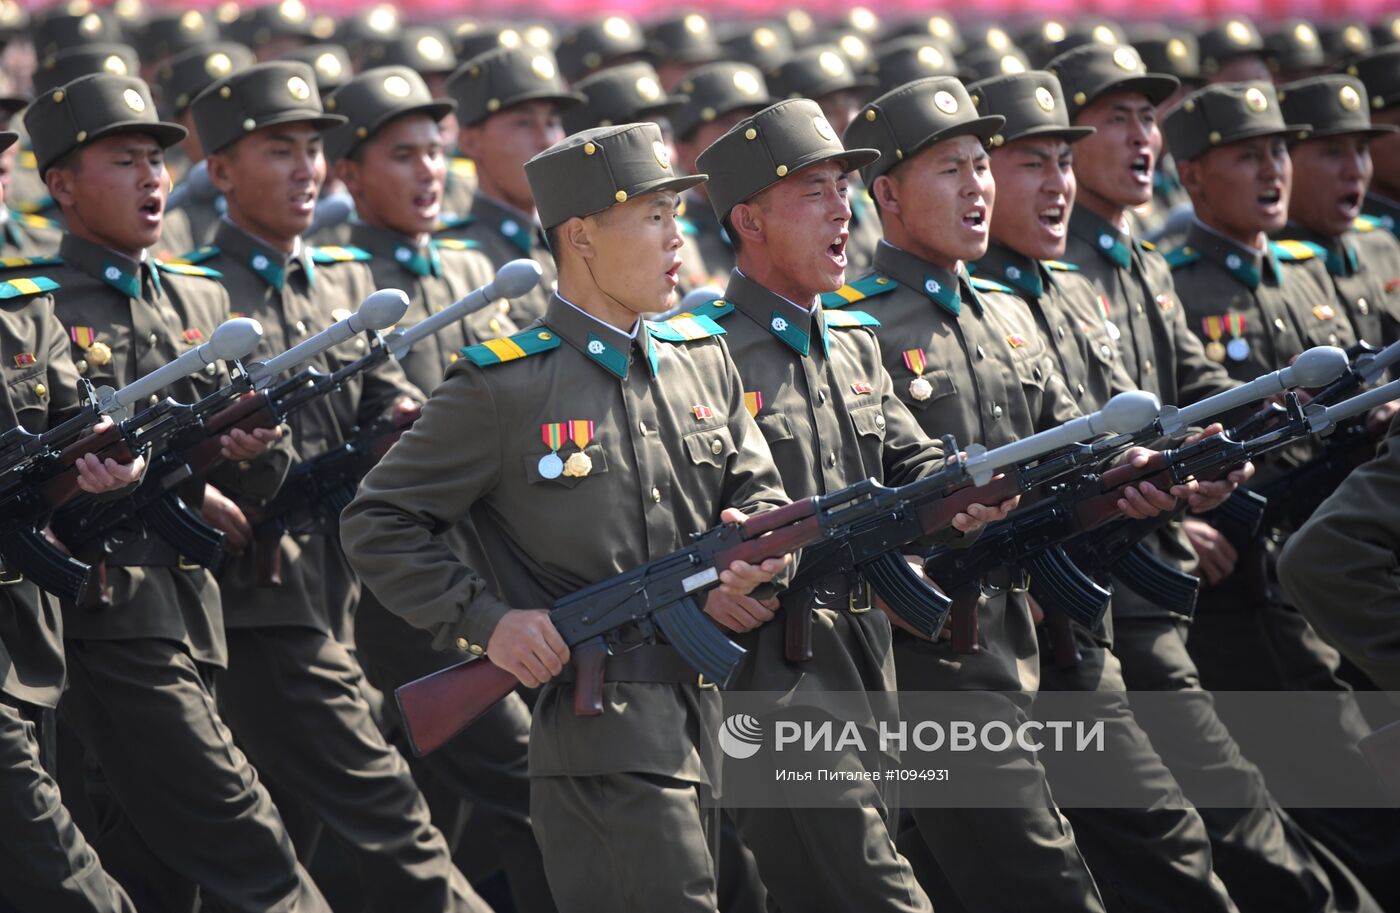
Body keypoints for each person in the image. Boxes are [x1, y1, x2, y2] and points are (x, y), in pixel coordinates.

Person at [343, 120, 795, 913]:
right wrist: (489, 622)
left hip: (720, 723)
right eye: (653, 216)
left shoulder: (700, 355)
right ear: (581, 236)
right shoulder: (504, 388)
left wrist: (760, 559)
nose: (677, 236)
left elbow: (757, 493)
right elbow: (378, 521)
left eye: (677, 215)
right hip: (604, 740)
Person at [840, 74, 1194, 913]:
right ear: (885, 194)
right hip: (946, 665)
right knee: (1053, 883)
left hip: (1054, 643)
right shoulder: (857, 328)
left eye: (978, 166)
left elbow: (1073, 460)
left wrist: (1141, 478)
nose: (977, 188)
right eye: (949, 171)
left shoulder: (1007, 310)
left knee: (1147, 845)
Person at [15, 71, 328, 913]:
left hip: (199, 607)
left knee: (161, 867)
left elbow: (257, 474)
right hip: (112, 612)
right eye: (125, 161)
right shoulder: (42, 303)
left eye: (158, 160)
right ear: (62, 186)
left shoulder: (200, 295)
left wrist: (248, 448)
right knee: (246, 839)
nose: (154, 178)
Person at [182, 60, 487, 913]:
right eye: (279, 150)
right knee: (389, 815)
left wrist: (405, 421)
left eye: (314, 148)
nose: (306, 168)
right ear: (220, 172)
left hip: (341, 592)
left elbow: (388, 406)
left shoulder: (348, 287)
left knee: (282, 831)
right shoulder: (203, 292)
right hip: (257, 597)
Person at [694, 96, 1007, 913]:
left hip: (872, 661)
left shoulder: (853, 340)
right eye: (814, 191)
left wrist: (979, 490)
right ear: (749, 221)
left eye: (845, 187)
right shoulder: (701, 353)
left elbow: (924, 469)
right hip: (775, 679)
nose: (843, 209)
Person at [324, 65, 558, 913]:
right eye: (401, 155)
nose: (428, 172)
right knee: (532, 790)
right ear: (348, 175)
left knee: (452, 813)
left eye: (433, 152)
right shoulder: (341, 283)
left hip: (499, 580)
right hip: (410, 598)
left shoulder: (472, 267)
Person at [0, 121, 142, 913]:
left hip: (28, 639)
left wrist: (123, 465)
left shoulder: (23, 308)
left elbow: (82, 425)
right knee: (66, 878)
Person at [437, 47, 583, 324]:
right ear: (470, 142)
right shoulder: (457, 259)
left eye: (552, 122)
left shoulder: (580, 241)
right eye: (523, 123)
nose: (545, 140)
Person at [1274, 74, 1400, 351]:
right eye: (1333, 152)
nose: (1355, 170)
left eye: (1362, 149)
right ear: (1285, 163)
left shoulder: (1381, 245)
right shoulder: (1272, 270)